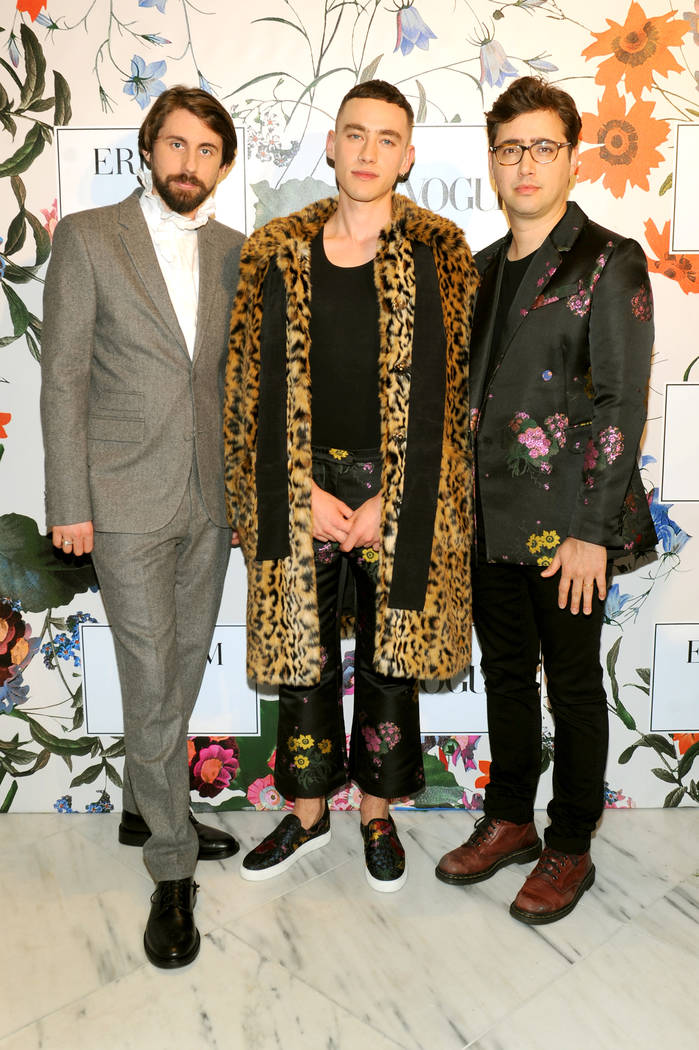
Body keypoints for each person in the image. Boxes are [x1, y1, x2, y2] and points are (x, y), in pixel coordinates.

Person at [224, 79, 478, 891]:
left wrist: (392, 501)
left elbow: (454, 395)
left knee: (388, 656)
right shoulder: (274, 250)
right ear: (330, 145)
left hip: (396, 486)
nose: (368, 152)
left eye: (386, 138)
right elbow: (245, 389)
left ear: (408, 156)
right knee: (299, 655)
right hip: (300, 483)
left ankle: (375, 813)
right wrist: (292, 489)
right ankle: (304, 817)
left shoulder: (441, 251)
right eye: (355, 134)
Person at [436, 76, 657, 924]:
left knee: (570, 685)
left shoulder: (608, 259)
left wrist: (591, 533)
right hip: (488, 520)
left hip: (569, 528)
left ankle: (569, 844)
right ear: (492, 163)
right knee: (503, 676)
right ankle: (509, 820)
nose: (524, 163)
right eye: (508, 148)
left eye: (541, 146)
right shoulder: (480, 270)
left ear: (570, 157)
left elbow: (620, 403)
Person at [41, 86, 245, 967]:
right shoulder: (90, 238)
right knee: (152, 670)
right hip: (120, 499)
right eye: (175, 144)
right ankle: (171, 863)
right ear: (148, 149)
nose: (188, 163)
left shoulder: (237, 252)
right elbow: (63, 377)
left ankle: (141, 805)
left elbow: (238, 382)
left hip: (211, 497)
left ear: (221, 165)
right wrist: (68, 501)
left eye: (206, 150)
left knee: (184, 664)